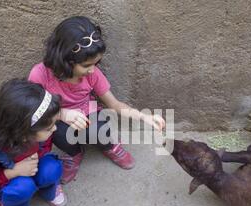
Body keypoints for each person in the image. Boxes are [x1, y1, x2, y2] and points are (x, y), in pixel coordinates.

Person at [29, 16, 166, 184]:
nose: (93, 70)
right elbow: (33, 109)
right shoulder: (40, 75)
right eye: (87, 65)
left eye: (96, 63)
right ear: (65, 60)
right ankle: (74, 153)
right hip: (57, 119)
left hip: (89, 115)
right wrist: (62, 114)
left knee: (102, 128)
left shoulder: (93, 75)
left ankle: (110, 146)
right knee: (57, 132)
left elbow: (114, 104)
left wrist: (144, 117)